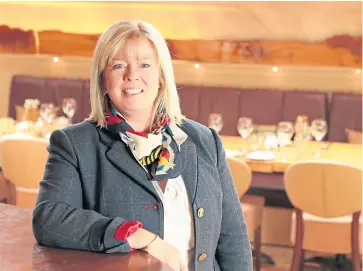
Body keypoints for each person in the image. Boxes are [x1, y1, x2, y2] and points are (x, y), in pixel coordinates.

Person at [32, 20, 253, 271]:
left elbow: (233, 239)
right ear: (103, 79)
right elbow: (48, 219)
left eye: (145, 64)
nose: (132, 75)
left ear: (161, 76)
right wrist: (135, 235)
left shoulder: (205, 140)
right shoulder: (74, 143)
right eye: (118, 65)